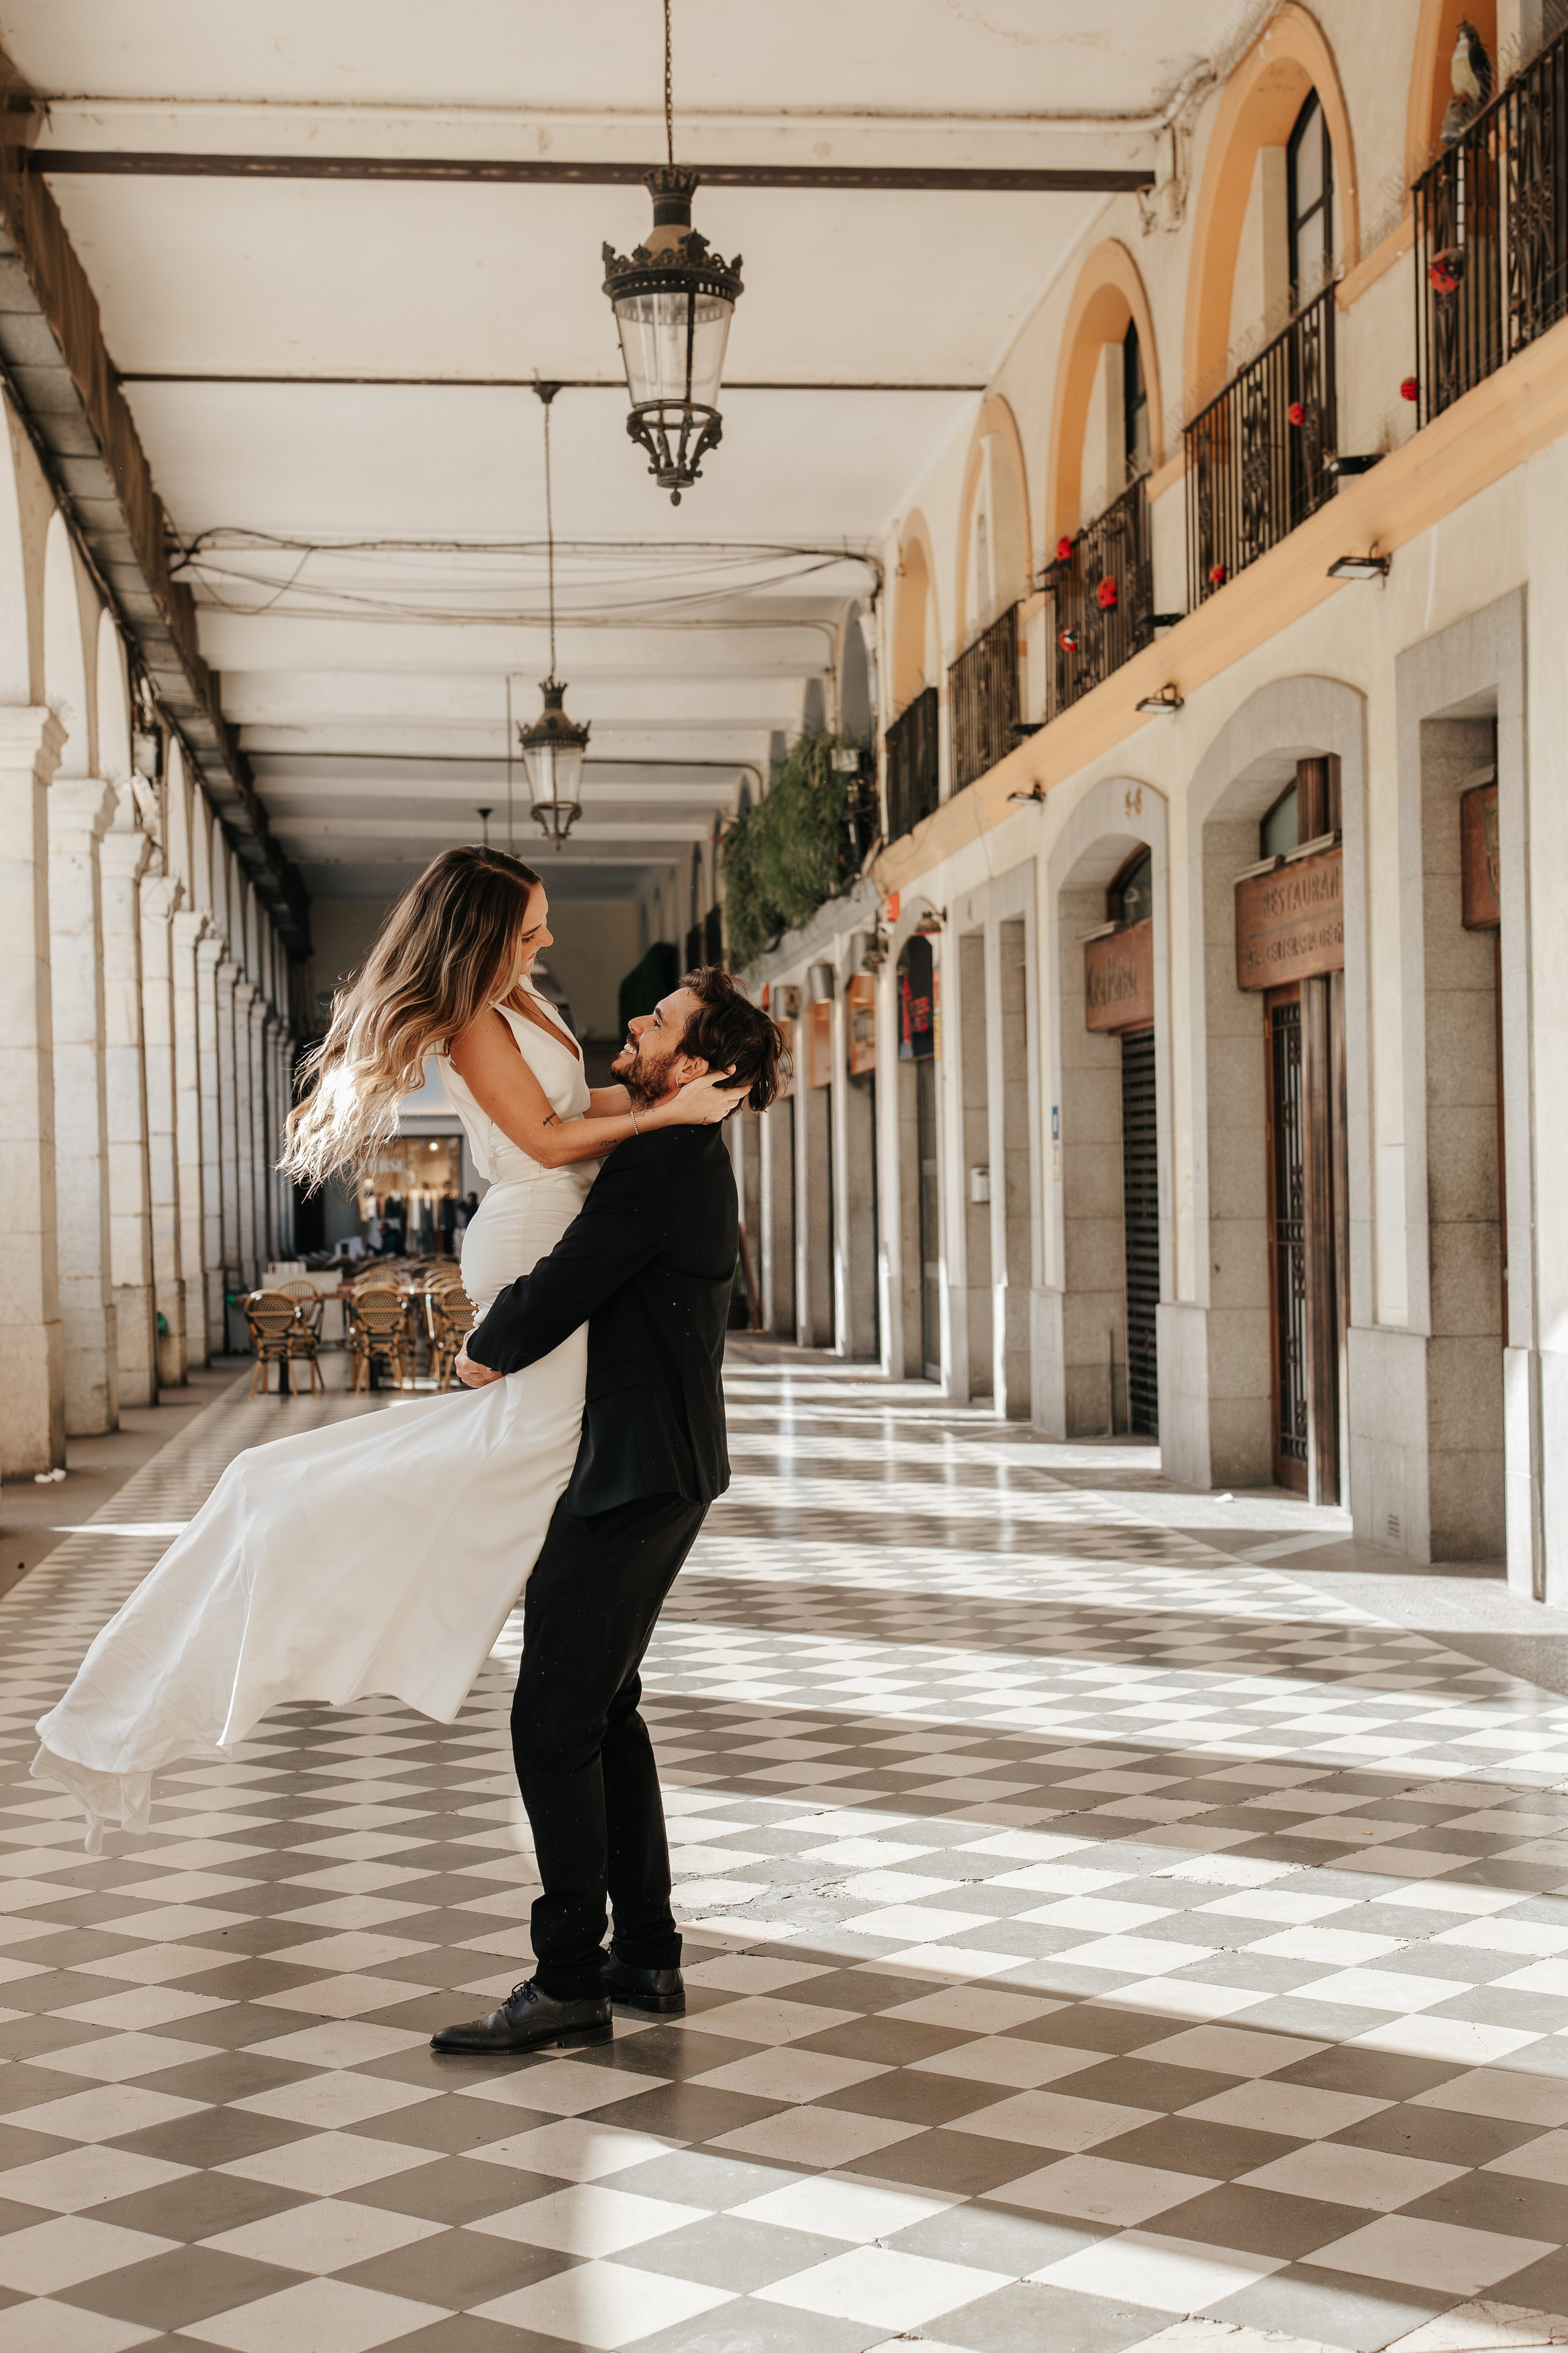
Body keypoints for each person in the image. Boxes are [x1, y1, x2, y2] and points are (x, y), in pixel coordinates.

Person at [31, 847, 744, 1851]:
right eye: (528, 927)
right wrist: (675, 1108)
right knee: (510, 1453)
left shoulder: (526, 1002)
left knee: (521, 1454)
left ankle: (493, 1585)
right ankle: (351, 1563)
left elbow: (588, 1111)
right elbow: (544, 1140)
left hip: (555, 1232)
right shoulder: (467, 1022)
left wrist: (696, 1098)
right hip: (533, 1230)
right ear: (481, 932)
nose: (544, 941)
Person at [431, 966, 786, 2056]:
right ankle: (647, 1955)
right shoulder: (670, 1145)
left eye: (661, 1021)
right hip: (655, 1465)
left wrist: (485, 1350)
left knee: (551, 1720)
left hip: (637, 1474)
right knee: (605, 1709)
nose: (633, 1021)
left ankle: (569, 1979)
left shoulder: (668, 1159)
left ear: (700, 1064)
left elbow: (579, 1272)